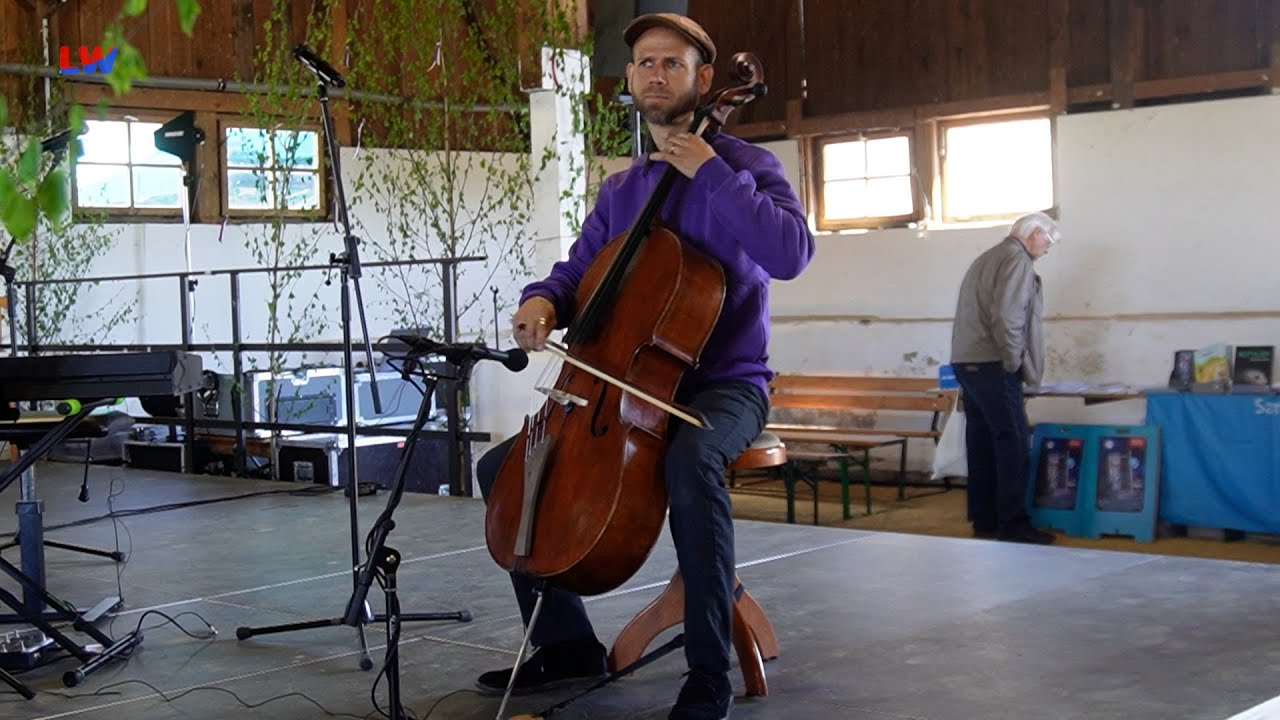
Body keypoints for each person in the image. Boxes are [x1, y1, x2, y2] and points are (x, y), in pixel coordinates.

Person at [471, 12, 813, 720]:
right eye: (645, 64)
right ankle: (568, 644)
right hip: (615, 384)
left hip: (723, 387)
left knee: (691, 461)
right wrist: (541, 301)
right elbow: (576, 272)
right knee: (502, 467)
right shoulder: (623, 191)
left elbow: (789, 255)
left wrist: (712, 173)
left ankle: (707, 672)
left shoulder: (750, 169)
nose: (656, 74)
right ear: (629, 80)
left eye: (673, 63)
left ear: (705, 80)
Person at [949, 211, 1061, 546]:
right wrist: (1013, 363)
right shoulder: (1016, 260)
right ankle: (1013, 524)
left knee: (982, 443)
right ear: (1034, 234)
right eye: (1048, 241)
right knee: (1013, 444)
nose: (1048, 249)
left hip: (967, 360)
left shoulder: (988, 257)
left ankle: (985, 521)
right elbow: (1008, 316)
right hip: (993, 363)